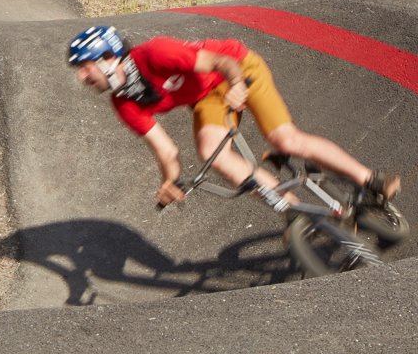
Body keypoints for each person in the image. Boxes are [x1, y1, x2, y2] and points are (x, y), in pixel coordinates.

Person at [66, 24, 399, 216]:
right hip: (206, 97)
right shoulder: (124, 102)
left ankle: (370, 179)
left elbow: (223, 63)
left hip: (239, 68)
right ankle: (297, 214)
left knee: (285, 139)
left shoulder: (156, 52)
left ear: (108, 57)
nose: (82, 78)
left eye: (84, 66)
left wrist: (238, 86)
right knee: (213, 153)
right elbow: (166, 150)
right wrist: (169, 181)